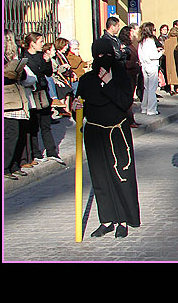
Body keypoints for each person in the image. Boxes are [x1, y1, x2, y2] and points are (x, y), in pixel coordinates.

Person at [73, 38, 140, 238]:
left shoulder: (119, 76)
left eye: (106, 55)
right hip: (95, 134)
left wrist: (109, 84)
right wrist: (76, 106)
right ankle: (107, 219)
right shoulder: (87, 79)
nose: (103, 59)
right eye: (99, 56)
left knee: (120, 175)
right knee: (100, 178)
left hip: (117, 133)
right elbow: (80, 103)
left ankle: (124, 219)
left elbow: (125, 102)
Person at [22, 32, 65, 165]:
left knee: (46, 124)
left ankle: (52, 151)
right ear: (32, 43)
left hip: (43, 93)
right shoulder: (24, 57)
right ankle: (36, 153)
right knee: (34, 125)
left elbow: (48, 73)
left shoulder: (42, 56)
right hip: (32, 94)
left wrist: (47, 62)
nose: (42, 44)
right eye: (40, 42)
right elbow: (31, 72)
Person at [4, 30, 37, 180]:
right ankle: (6, 166)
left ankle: (15, 164)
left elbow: (24, 76)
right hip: (8, 101)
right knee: (11, 134)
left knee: (19, 134)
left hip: (17, 99)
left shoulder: (11, 57)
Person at [138, 22, 164, 116]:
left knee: (146, 88)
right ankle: (152, 109)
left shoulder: (141, 41)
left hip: (144, 65)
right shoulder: (150, 41)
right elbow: (153, 56)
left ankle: (144, 107)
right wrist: (161, 53)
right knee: (152, 89)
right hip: (152, 65)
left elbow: (140, 54)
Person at [163, 25, 178, 94]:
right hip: (177, 58)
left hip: (169, 59)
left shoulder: (167, 41)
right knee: (177, 72)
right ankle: (177, 87)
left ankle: (171, 88)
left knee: (170, 72)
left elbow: (164, 52)